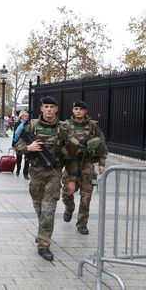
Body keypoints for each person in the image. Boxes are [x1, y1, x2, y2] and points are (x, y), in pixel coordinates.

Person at [14, 96, 70, 262]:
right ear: (41, 109)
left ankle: (44, 244)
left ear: (56, 109)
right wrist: (28, 147)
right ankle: (42, 232)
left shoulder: (63, 128)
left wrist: (71, 177)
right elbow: (16, 146)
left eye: (51, 107)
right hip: (36, 172)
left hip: (54, 172)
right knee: (39, 206)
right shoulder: (31, 126)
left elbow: (71, 152)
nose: (48, 110)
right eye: (46, 107)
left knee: (48, 208)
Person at [62, 101, 108, 235]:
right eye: (76, 109)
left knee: (86, 197)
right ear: (73, 110)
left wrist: (101, 163)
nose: (78, 111)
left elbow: (102, 145)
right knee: (67, 192)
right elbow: (61, 144)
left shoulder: (93, 126)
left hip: (87, 166)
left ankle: (82, 223)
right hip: (71, 165)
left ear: (85, 111)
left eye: (81, 109)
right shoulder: (66, 126)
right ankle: (69, 208)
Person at [12, 111, 30, 180]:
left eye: (27, 115)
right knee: (19, 158)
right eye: (25, 115)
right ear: (21, 116)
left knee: (27, 159)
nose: (27, 117)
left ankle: (25, 173)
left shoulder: (29, 124)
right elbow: (15, 134)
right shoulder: (18, 123)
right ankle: (18, 170)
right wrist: (13, 143)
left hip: (27, 143)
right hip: (19, 143)